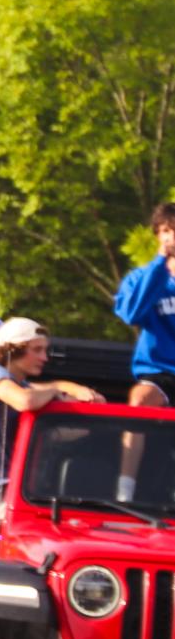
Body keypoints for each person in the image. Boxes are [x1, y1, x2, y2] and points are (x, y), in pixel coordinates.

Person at [0, 317, 103, 480]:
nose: (44, 358)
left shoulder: (20, 385)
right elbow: (25, 401)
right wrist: (56, 388)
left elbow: (55, 422)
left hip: (17, 490)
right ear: (13, 350)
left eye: (44, 350)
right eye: (37, 350)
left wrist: (92, 407)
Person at [113, 202, 175, 501]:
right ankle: (125, 491)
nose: (169, 236)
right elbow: (131, 313)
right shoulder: (142, 277)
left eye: (173, 230)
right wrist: (159, 265)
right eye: (163, 231)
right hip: (160, 371)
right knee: (139, 400)